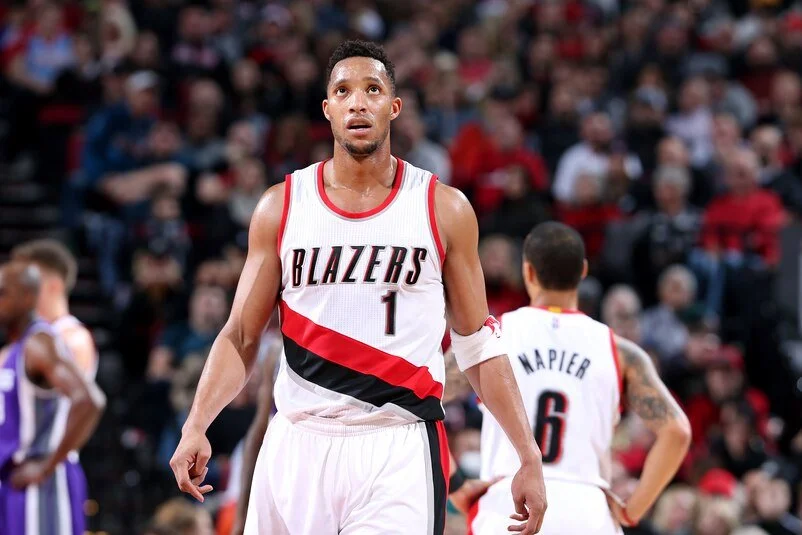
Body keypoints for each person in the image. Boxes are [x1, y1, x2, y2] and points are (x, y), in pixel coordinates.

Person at [170, 40, 547, 535]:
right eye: (343, 91)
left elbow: (477, 345)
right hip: (297, 442)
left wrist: (527, 454)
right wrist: (197, 423)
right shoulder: (281, 206)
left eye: (372, 89)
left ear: (394, 107)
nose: (358, 103)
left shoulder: (443, 208)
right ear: (327, 109)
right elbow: (241, 335)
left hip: (397, 442)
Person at [470, 222, 691, 534]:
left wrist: (452, 480)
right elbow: (677, 432)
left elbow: (429, 393)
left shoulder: (494, 335)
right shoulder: (619, 350)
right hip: (586, 509)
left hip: (510, 501)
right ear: (583, 271)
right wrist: (632, 511)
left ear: (528, 271)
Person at [0, 262, 106, 535]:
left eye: (3, 293)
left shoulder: (40, 343)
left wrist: (47, 466)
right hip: (13, 483)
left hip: (42, 485)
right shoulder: (14, 349)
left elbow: (89, 401)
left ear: (27, 297)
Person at [11, 239, 98, 380]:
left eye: (27, 282)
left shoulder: (74, 338)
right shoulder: (26, 336)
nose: (19, 290)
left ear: (54, 286)